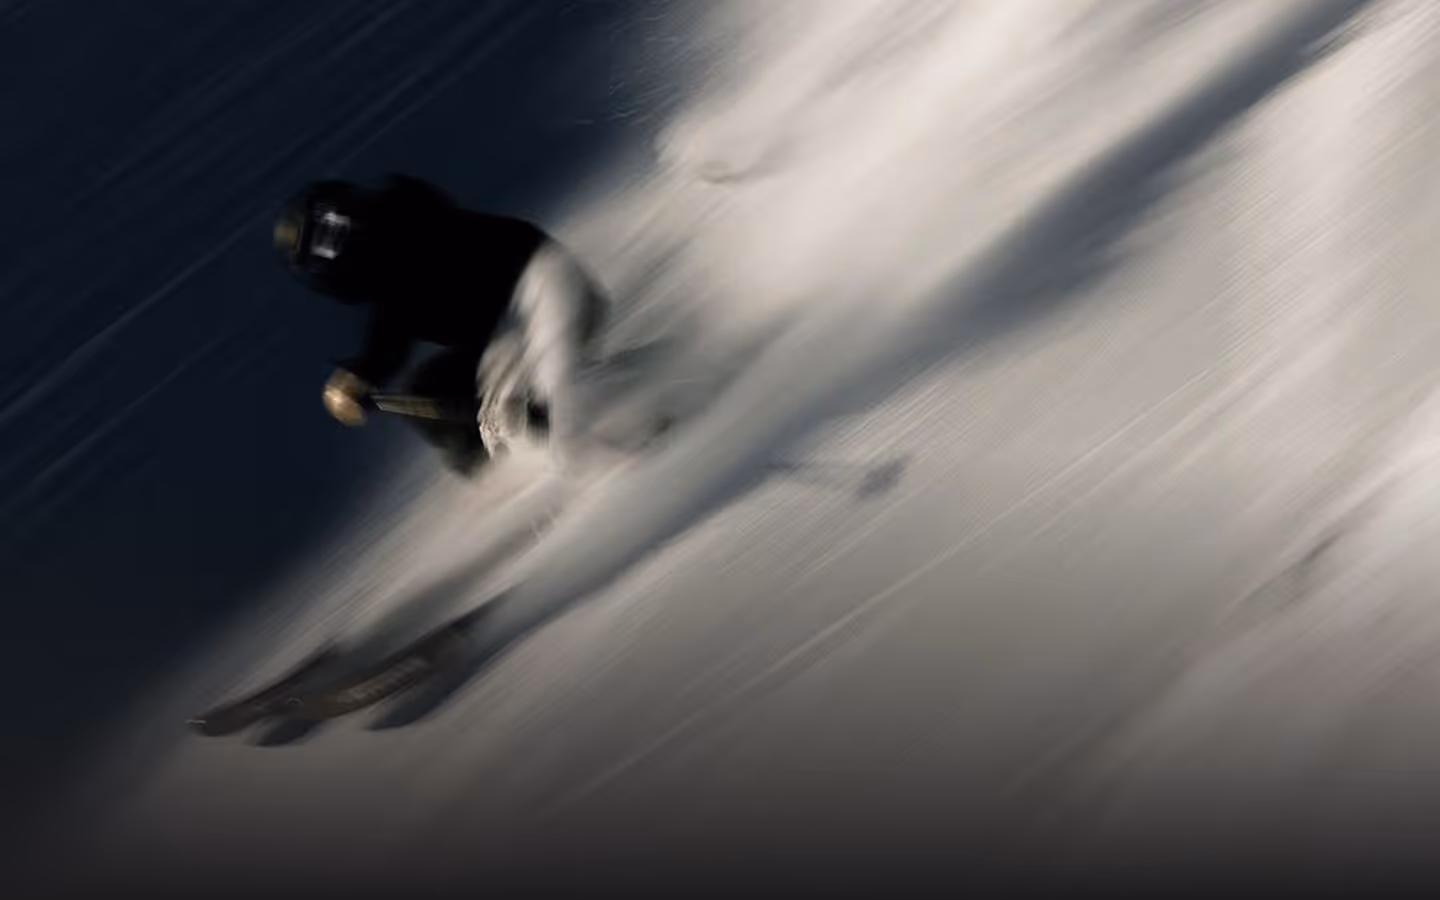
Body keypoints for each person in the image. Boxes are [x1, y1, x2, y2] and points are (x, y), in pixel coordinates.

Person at [274, 174, 607, 475]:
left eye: (333, 225)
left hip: (541, 284)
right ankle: (515, 488)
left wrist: (362, 374)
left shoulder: (406, 214)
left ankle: (602, 452)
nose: (339, 239)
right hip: (512, 338)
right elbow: (390, 334)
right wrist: (359, 378)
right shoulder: (393, 294)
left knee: (544, 413)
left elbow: (399, 300)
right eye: (325, 243)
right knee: (436, 394)